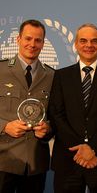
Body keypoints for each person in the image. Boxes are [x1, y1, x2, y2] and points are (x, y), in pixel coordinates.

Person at [48, 23, 97, 193]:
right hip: (69, 159)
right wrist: (81, 147)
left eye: (94, 41)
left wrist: (92, 148)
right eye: (83, 41)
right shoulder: (61, 75)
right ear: (76, 44)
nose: (89, 45)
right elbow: (56, 114)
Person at [0, 19, 54, 193]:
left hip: (36, 163)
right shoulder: (1, 71)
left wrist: (48, 129)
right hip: (3, 160)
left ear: (43, 43)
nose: (32, 44)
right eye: (28, 38)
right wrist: (4, 126)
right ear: (18, 40)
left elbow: (57, 117)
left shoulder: (53, 76)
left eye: (38, 40)